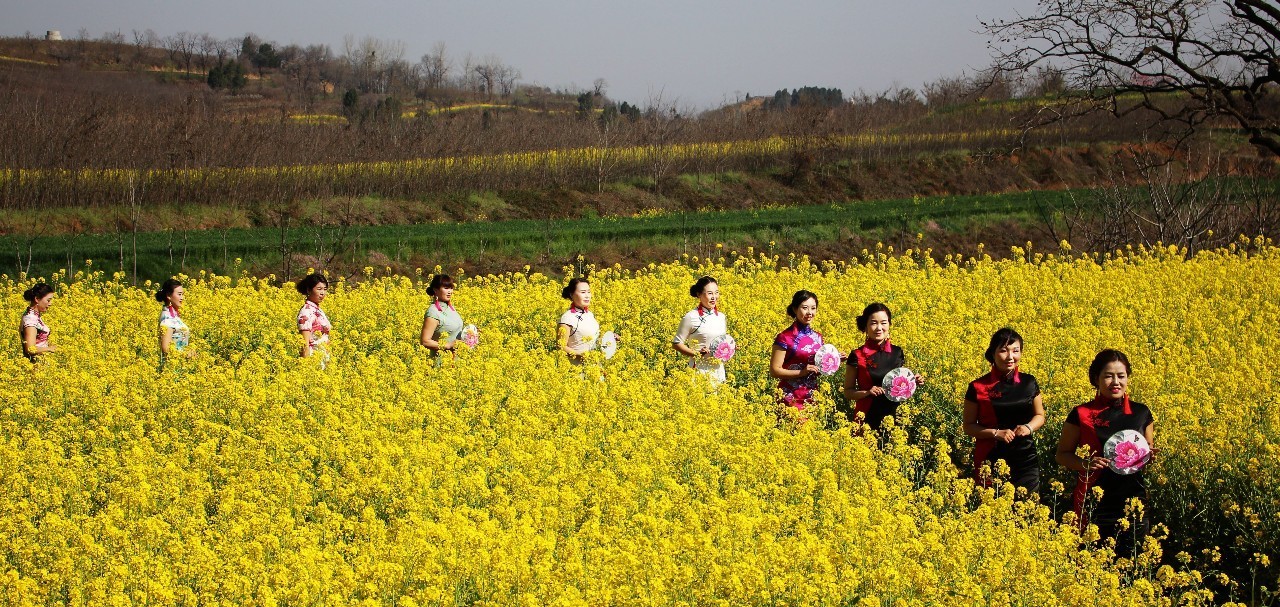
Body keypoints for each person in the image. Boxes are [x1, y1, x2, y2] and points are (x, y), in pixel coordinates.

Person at [1056, 349, 1155, 548]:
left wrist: (1150, 456)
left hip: (1133, 498)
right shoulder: (1081, 414)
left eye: (1121, 376)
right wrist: (1085, 463)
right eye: (1108, 376)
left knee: (1133, 560)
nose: (1115, 382)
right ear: (1096, 379)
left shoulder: (1141, 413)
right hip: (1094, 498)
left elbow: (1148, 450)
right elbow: (1062, 454)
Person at [962, 327, 1045, 494]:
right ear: (992, 353)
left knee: (1027, 507)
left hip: (1025, 457)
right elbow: (968, 426)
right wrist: (996, 433)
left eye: (1016, 351)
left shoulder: (1029, 382)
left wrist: (1028, 427)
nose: (1010, 357)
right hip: (990, 456)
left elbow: (1039, 415)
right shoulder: (978, 387)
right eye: (1003, 351)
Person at [842, 303, 912, 431]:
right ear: (866, 326)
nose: (879, 328)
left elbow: (899, 387)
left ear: (889, 325)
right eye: (874, 323)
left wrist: (913, 382)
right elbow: (848, 392)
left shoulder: (897, 353)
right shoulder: (857, 355)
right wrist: (868, 392)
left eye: (884, 323)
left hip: (895, 416)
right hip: (867, 416)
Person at [770, 290, 825, 411]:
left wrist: (833, 361)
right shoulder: (785, 337)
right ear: (795, 309)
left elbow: (818, 369)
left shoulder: (818, 338)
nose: (809, 312)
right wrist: (802, 372)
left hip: (812, 397)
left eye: (813, 308)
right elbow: (774, 370)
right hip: (790, 398)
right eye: (805, 308)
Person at [672, 276, 727, 384]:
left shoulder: (721, 317)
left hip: (718, 371)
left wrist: (730, 348)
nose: (714, 297)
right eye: (710, 293)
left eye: (716, 292)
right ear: (699, 294)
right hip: (699, 371)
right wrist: (696, 353)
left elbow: (721, 342)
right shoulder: (691, 317)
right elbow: (676, 343)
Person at [420, 274, 465, 361]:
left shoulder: (450, 308)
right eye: (446, 288)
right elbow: (425, 341)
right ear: (435, 290)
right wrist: (447, 345)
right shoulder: (433, 312)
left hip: (457, 362)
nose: (450, 291)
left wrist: (470, 332)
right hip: (442, 364)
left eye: (451, 288)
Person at [558, 278, 600, 361]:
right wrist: (582, 355)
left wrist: (610, 338)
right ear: (571, 295)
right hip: (576, 368)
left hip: (594, 366)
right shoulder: (567, 318)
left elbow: (594, 339)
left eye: (588, 292)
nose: (587, 295)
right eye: (583, 292)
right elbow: (561, 346)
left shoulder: (590, 314)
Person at [156, 279, 193, 368]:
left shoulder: (173, 315)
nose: (182, 298)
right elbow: (166, 349)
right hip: (172, 369)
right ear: (169, 295)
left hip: (180, 366)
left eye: (182, 294)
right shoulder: (167, 320)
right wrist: (185, 354)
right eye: (179, 294)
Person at [296, 273, 332, 362]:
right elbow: (304, 343)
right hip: (314, 359)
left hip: (323, 357)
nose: (322, 293)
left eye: (325, 289)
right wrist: (306, 365)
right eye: (319, 289)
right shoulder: (306, 312)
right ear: (308, 290)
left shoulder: (317, 310)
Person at [19, 283, 56, 361]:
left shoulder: (33, 315)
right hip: (35, 366)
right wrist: (49, 349)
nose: (50, 304)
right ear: (37, 299)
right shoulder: (30, 320)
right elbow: (30, 348)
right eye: (48, 300)